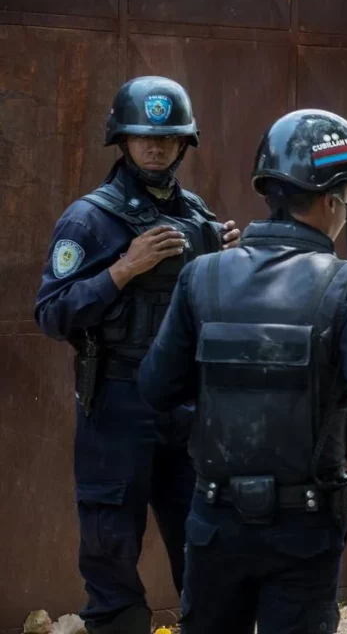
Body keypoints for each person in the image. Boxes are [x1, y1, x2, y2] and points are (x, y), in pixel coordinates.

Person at [137, 109, 347, 634]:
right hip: (304, 526)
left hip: (214, 520)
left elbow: (155, 388)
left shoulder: (201, 275)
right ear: (332, 200)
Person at [34, 76, 240, 634]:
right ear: (122, 140)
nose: (156, 148)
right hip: (118, 402)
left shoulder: (198, 217)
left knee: (207, 542)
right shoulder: (89, 219)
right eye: (145, 137)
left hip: (188, 405)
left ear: (183, 144)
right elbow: (51, 314)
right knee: (111, 550)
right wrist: (123, 269)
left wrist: (230, 264)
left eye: (168, 138)